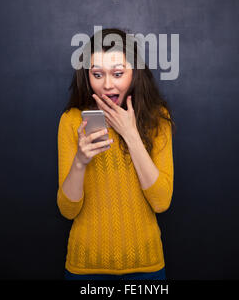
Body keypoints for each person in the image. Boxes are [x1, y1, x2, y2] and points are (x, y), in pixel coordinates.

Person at [57, 27, 176, 280]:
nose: (107, 84)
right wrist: (80, 161)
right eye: (97, 74)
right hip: (85, 268)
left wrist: (131, 134)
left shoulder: (158, 119)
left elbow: (161, 201)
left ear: (135, 74)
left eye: (118, 73)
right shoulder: (71, 121)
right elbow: (67, 210)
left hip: (146, 268)